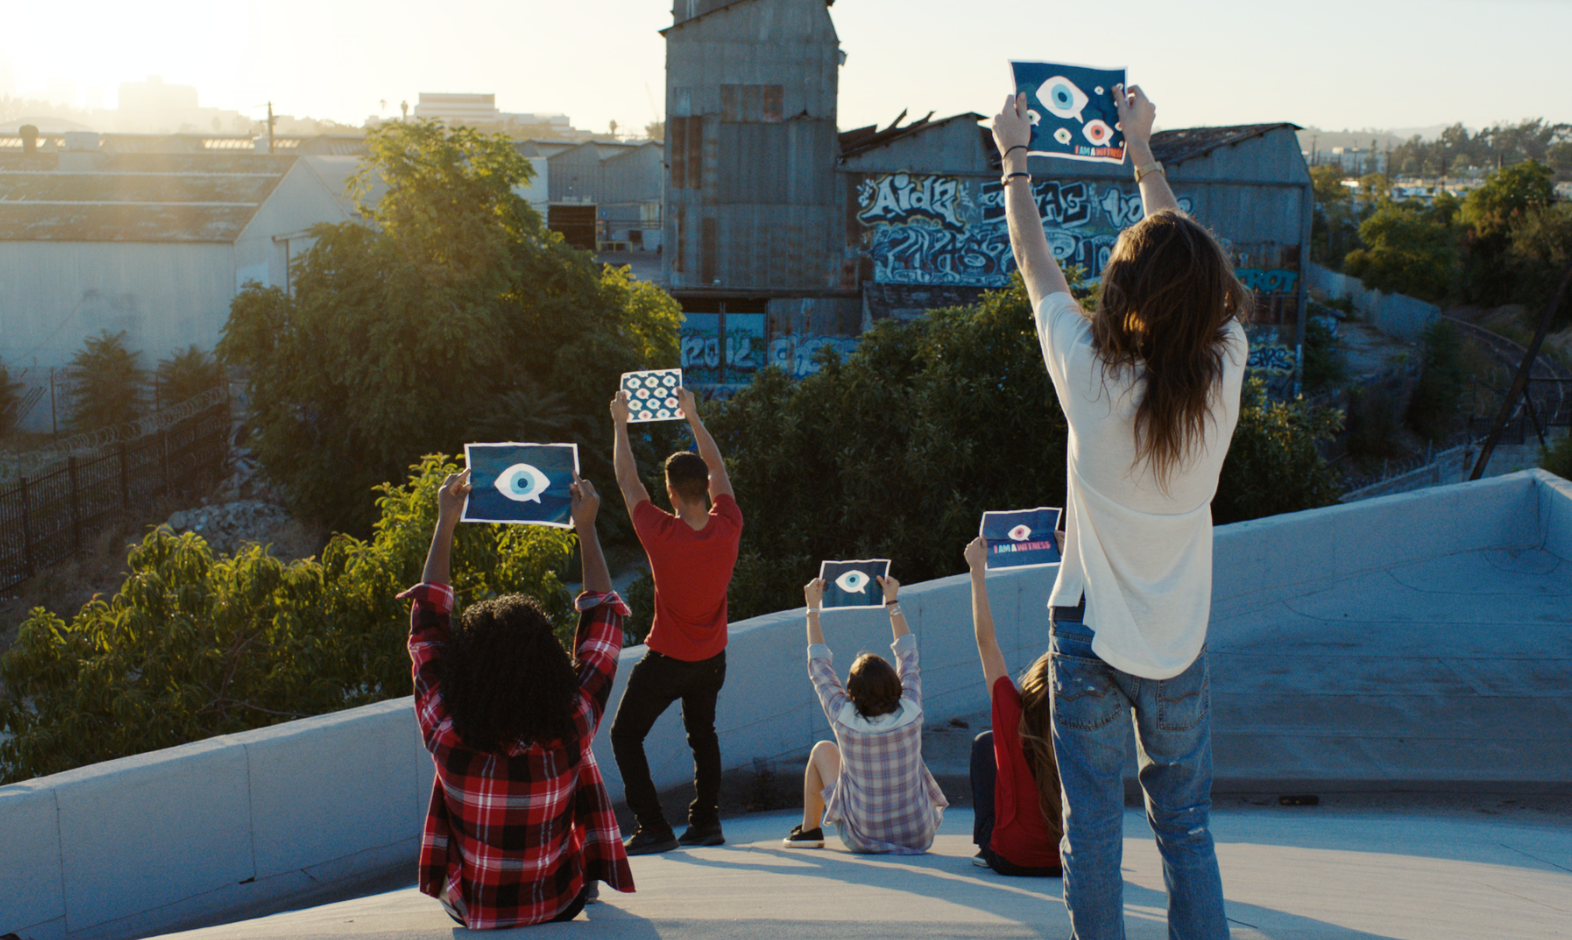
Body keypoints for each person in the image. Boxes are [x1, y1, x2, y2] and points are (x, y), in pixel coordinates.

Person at [993, 83, 1250, 939]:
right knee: (1187, 826)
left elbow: (1036, 267)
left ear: (1123, 287)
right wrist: (1143, 150)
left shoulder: (1089, 376)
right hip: (1177, 643)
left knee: (1095, 832)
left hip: (1089, 639)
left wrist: (1015, 157)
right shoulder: (1227, 367)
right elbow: (1192, 264)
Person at [402, 469, 634, 929]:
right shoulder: (572, 727)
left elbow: (426, 633)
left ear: (467, 669)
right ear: (549, 664)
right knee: (582, 758)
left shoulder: (445, 734)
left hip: (473, 910)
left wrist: (445, 522)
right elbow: (603, 633)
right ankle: (582, 871)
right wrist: (586, 529)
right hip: (558, 903)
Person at [609, 385, 744, 854]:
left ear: (669, 491)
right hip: (712, 659)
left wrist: (619, 423)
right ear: (704, 487)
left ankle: (654, 827)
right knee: (703, 735)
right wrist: (693, 417)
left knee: (624, 736)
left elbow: (627, 480)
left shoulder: (660, 532)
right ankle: (706, 823)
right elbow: (720, 469)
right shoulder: (730, 524)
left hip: (668, 661)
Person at [783, 573, 948, 854]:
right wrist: (892, 602)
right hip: (919, 835)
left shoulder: (843, 718)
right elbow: (908, 655)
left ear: (851, 693)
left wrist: (812, 609)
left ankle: (809, 831)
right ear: (895, 684)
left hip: (862, 838)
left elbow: (819, 667)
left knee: (822, 749)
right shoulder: (912, 710)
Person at [962, 536, 1064, 877]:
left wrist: (977, 572)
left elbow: (986, 641)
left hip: (1012, 858)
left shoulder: (1012, 715)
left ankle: (984, 846)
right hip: (1070, 859)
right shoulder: (1081, 718)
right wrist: (1072, 563)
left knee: (985, 743)